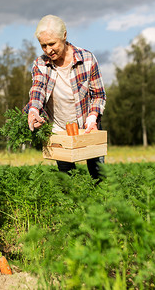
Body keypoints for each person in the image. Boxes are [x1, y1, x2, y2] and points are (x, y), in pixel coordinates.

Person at [24, 14, 106, 181]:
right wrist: (33, 111)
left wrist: (92, 118)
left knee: (99, 176)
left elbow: (98, 95)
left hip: (87, 126)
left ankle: (103, 205)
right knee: (68, 179)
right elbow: (38, 89)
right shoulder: (40, 64)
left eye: (52, 44)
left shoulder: (87, 59)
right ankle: (73, 207)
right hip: (59, 130)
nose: (48, 50)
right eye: (43, 46)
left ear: (64, 35)